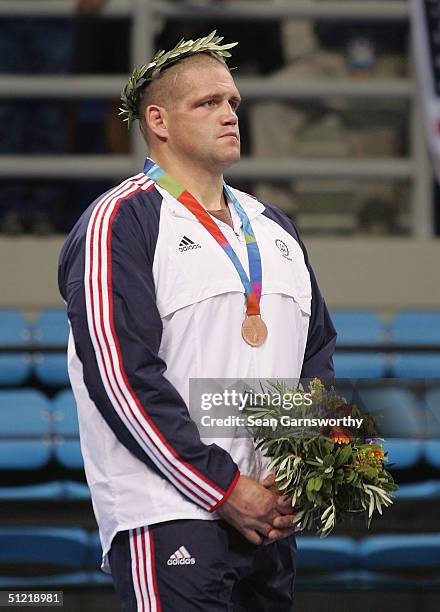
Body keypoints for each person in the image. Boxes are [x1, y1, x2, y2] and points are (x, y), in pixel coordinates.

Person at [58, 32, 336, 611]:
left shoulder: (274, 225)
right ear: (157, 120)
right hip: (168, 512)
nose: (229, 114)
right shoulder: (120, 221)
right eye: (207, 104)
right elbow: (122, 377)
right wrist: (225, 487)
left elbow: (314, 357)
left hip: (267, 518)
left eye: (232, 101)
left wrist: (295, 466)